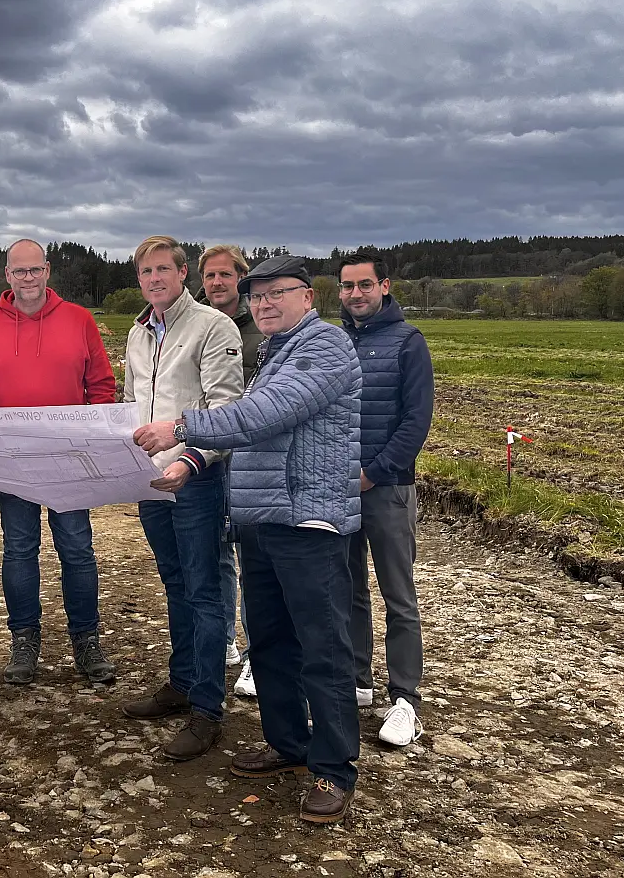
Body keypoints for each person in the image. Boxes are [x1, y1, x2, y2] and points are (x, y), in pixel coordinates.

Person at [135, 253, 364, 824]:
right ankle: (288, 744)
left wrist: (183, 426)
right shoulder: (275, 354)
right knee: (270, 643)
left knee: (322, 647)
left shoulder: (325, 347)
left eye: (277, 293)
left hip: (308, 522)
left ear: (308, 298)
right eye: (257, 295)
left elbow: (266, 413)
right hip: (262, 521)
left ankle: (333, 769)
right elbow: (254, 420)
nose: (264, 303)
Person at [0, 239, 118, 685]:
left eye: (35, 270)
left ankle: (86, 639)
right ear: (7, 275)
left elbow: (100, 385)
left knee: (76, 549)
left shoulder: (79, 320)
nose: (28, 278)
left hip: (68, 458)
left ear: (47, 270)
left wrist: (100, 436)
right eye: (19, 271)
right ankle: (24, 638)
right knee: (20, 548)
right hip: (12, 460)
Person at [120, 236, 243, 761]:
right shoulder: (137, 333)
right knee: (175, 583)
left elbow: (227, 409)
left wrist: (189, 458)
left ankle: (208, 711)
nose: (154, 279)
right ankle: (183, 681)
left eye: (163, 269)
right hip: (151, 483)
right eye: (145, 272)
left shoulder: (214, 328)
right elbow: (131, 405)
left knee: (205, 590)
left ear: (183, 272)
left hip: (195, 481)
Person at [338, 249, 434, 748]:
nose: (355, 294)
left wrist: (373, 474)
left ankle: (406, 699)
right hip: (340, 490)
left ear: (385, 286)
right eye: (347, 286)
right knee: (349, 588)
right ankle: (358, 681)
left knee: (398, 594)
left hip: (389, 488)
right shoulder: (332, 343)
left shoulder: (407, 343)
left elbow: (415, 422)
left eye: (364, 285)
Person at [197, 244, 262, 696]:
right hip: (208, 456)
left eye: (225, 275)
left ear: (242, 277)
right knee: (216, 554)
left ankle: (260, 655)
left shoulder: (263, 328)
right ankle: (223, 640)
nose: (217, 283)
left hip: (253, 462)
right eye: (209, 276)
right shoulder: (199, 325)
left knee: (254, 559)